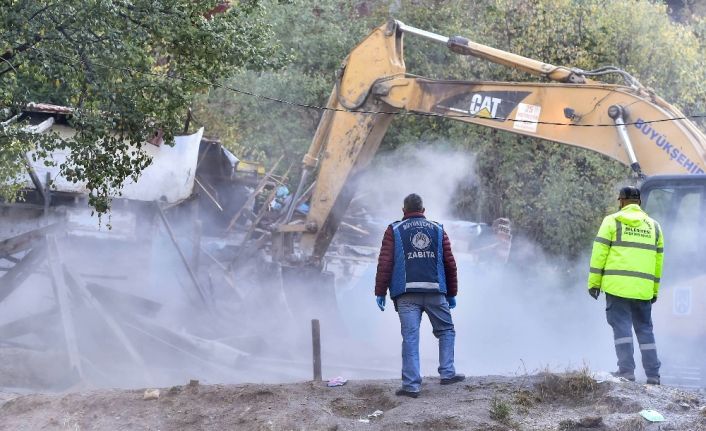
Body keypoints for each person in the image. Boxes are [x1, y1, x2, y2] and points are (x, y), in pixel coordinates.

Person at [374, 193, 464, 398]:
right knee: (446, 331)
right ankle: (448, 373)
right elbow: (450, 263)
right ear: (423, 211)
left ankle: (411, 386)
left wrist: (380, 291)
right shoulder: (438, 229)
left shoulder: (394, 230)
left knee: (410, 338)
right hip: (435, 292)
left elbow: (385, 263)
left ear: (403, 210)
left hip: (406, 294)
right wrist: (452, 293)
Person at [588, 186, 664, 385]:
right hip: (643, 290)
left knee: (622, 330)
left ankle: (626, 372)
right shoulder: (654, 227)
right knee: (645, 331)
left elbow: (599, 255)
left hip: (617, 287)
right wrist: (654, 291)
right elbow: (658, 263)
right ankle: (653, 376)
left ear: (621, 201)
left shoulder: (612, 221)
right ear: (639, 202)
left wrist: (594, 283)